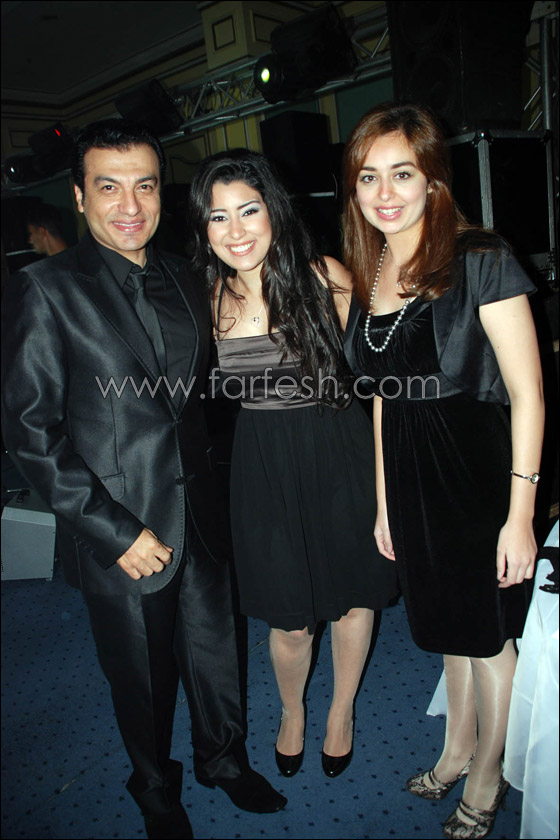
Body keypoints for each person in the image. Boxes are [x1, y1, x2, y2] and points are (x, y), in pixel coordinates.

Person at [0, 120, 287, 840]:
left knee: (217, 654)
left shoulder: (189, 274)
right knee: (142, 675)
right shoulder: (46, 289)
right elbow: (30, 431)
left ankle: (223, 759)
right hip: (121, 528)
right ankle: (153, 784)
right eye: (109, 187)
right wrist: (114, 532)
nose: (130, 205)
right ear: (78, 196)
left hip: (202, 512)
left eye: (145, 186)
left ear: (162, 193)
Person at [342, 101, 545, 839]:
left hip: (474, 473)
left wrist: (521, 515)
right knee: (448, 631)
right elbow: (379, 397)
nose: (385, 192)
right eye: (369, 176)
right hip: (410, 473)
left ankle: (487, 774)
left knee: (487, 639)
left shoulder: (481, 257)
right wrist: (384, 501)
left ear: (433, 179)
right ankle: (457, 748)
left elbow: (529, 393)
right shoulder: (372, 266)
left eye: (403, 173)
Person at [189, 149, 398, 781]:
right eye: (219, 217)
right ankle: (291, 710)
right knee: (290, 619)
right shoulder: (210, 297)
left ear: (274, 211)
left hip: (340, 455)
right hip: (263, 469)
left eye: (249, 210)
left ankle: (340, 710)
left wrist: (389, 494)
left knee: (354, 600)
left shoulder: (326, 277)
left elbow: (384, 381)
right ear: (204, 228)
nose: (236, 230)